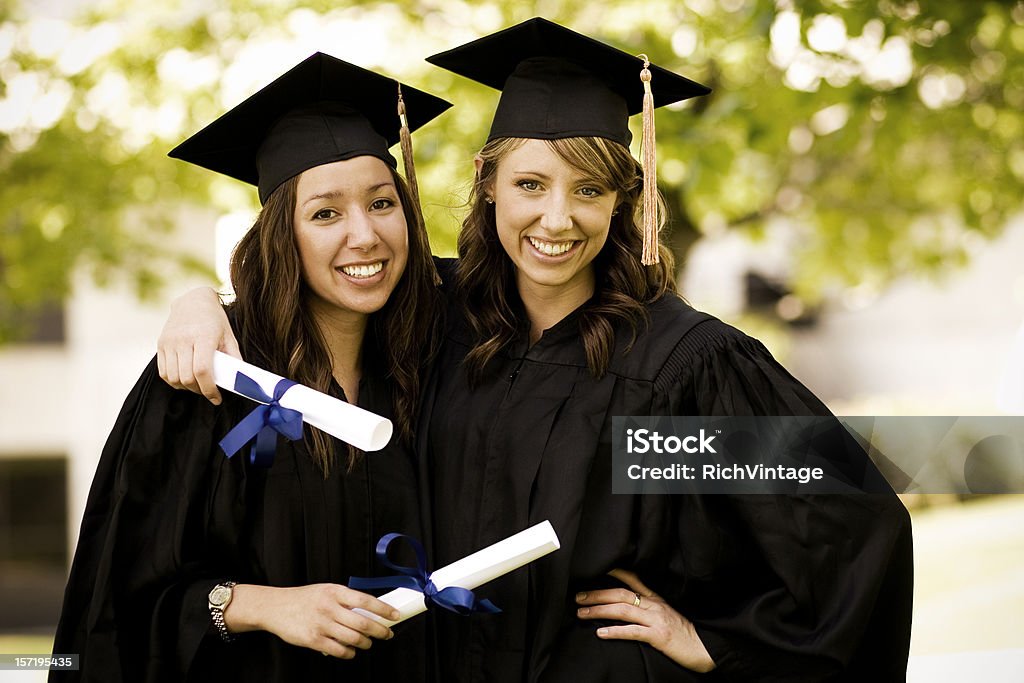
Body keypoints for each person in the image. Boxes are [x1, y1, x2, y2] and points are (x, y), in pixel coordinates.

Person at [156, 19, 914, 682]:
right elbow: (316, 285)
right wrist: (197, 303)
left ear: (623, 200)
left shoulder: (676, 367)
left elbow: (846, 525)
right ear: (487, 185)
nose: (559, 218)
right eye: (530, 183)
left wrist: (711, 641)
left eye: (589, 190)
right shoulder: (435, 325)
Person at [51, 52, 450, 682]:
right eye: (325, 213)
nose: (365, 235)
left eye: (382, 203)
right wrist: (263, 606)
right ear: (280, 234)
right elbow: (119, 602)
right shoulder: (207, 380)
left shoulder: (435, 354)